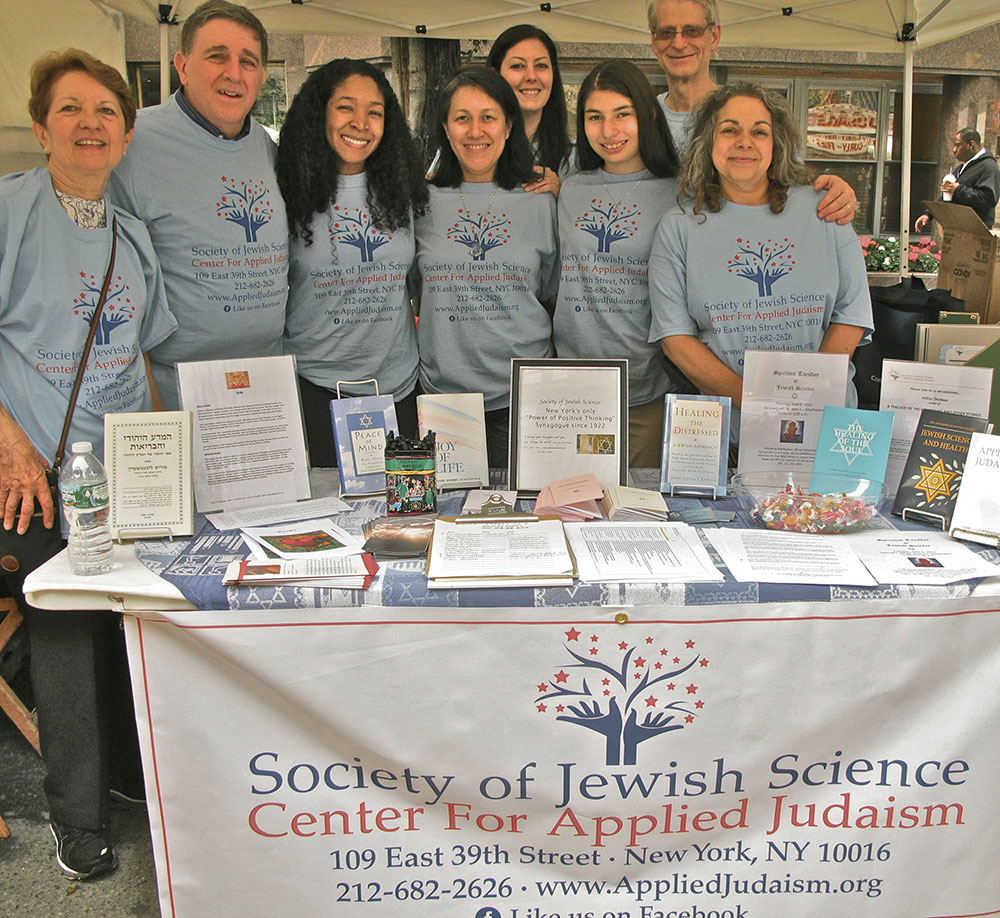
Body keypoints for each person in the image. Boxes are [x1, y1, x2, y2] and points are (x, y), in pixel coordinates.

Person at [0, 49, 177, 879]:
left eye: (107, 110)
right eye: (72, 109)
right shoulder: (10, 212)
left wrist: (160, 461)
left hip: (125, 474)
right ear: (42, 127)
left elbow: (140, 357)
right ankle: (76, 816)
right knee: (66, 629)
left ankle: (131, 782)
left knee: (132, 623)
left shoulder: (129, 235)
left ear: (127, 132)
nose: (91, 124)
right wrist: (11, 443)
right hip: (36, 476)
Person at [648, 82, 873, 440]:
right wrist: (758, 404)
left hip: (825, 428)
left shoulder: (824, 209)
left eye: (759, 131)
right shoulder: (679, 227)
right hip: (730, 438)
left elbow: (852, 316)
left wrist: (807, 400)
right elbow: (676, 340)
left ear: (776, 144)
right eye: (729, 130)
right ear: (708, 141)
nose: (744, 141)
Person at [109, 0, 288, 409]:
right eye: (217, 56)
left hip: (266, 388)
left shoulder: (268, 148)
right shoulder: (133, 146)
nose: (234, 73)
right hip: (175, 392)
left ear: (262, 75)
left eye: (248, 61)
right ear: (182, 65)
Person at [276, 59, 428, 466]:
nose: (361, 123)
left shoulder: (403, 188)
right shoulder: (287, 189)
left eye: (374, 112)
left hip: (398, 391)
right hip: (318, 391)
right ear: (320, 112)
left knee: (405, 520)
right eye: (346, 107)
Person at [413, 66, 558, 466]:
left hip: (525, 400)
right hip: (442, 400)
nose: (475, 131)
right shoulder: (418, 202)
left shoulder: (541, 200)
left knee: (522, 519)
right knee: (447, 519)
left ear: (509, 126)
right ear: (445, 127)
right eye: (462, 118)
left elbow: (552, 294)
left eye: (488, 117)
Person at [552, 60, 681, 467]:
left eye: (622, 114)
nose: (608, 131)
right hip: (572, 393)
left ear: (646, 114)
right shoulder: (570, 190)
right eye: (595, 117)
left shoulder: (679, 193)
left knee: (633, 514)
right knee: (574, 508)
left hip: (643, 391)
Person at [647, 0, 857, 225]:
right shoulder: (639, 121)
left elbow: (793, 186)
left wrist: (837, 195)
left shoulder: (754, 115)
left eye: (692, 31)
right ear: (654, 42)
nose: (679, 43)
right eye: (666, 32)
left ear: (714, 36)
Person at [487, 24, 573, 194]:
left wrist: (562, 197)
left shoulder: (574, 158)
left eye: (541, 66)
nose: (532, 76)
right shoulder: (472, 147)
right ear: (495, 73)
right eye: (518, 66)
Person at [915, 128, 1000, 230]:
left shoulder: (988, 167)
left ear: (971, 145)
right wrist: (928, 215)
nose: (954, 150)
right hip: (956, 229)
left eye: (957, 145)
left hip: (975, 232)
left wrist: (957, 189)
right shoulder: (962, 168)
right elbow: (947, 195)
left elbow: (989, 198)